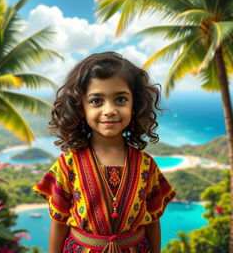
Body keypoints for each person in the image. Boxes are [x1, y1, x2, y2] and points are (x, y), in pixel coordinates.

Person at [33, 51, 176, 253]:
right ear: (80, 108)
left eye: (120, 100)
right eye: (96, 101)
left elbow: (153, 220)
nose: (109, 110)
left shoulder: (146, 165)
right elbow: (58, 222)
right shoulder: (68, 164)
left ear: (135, 105)